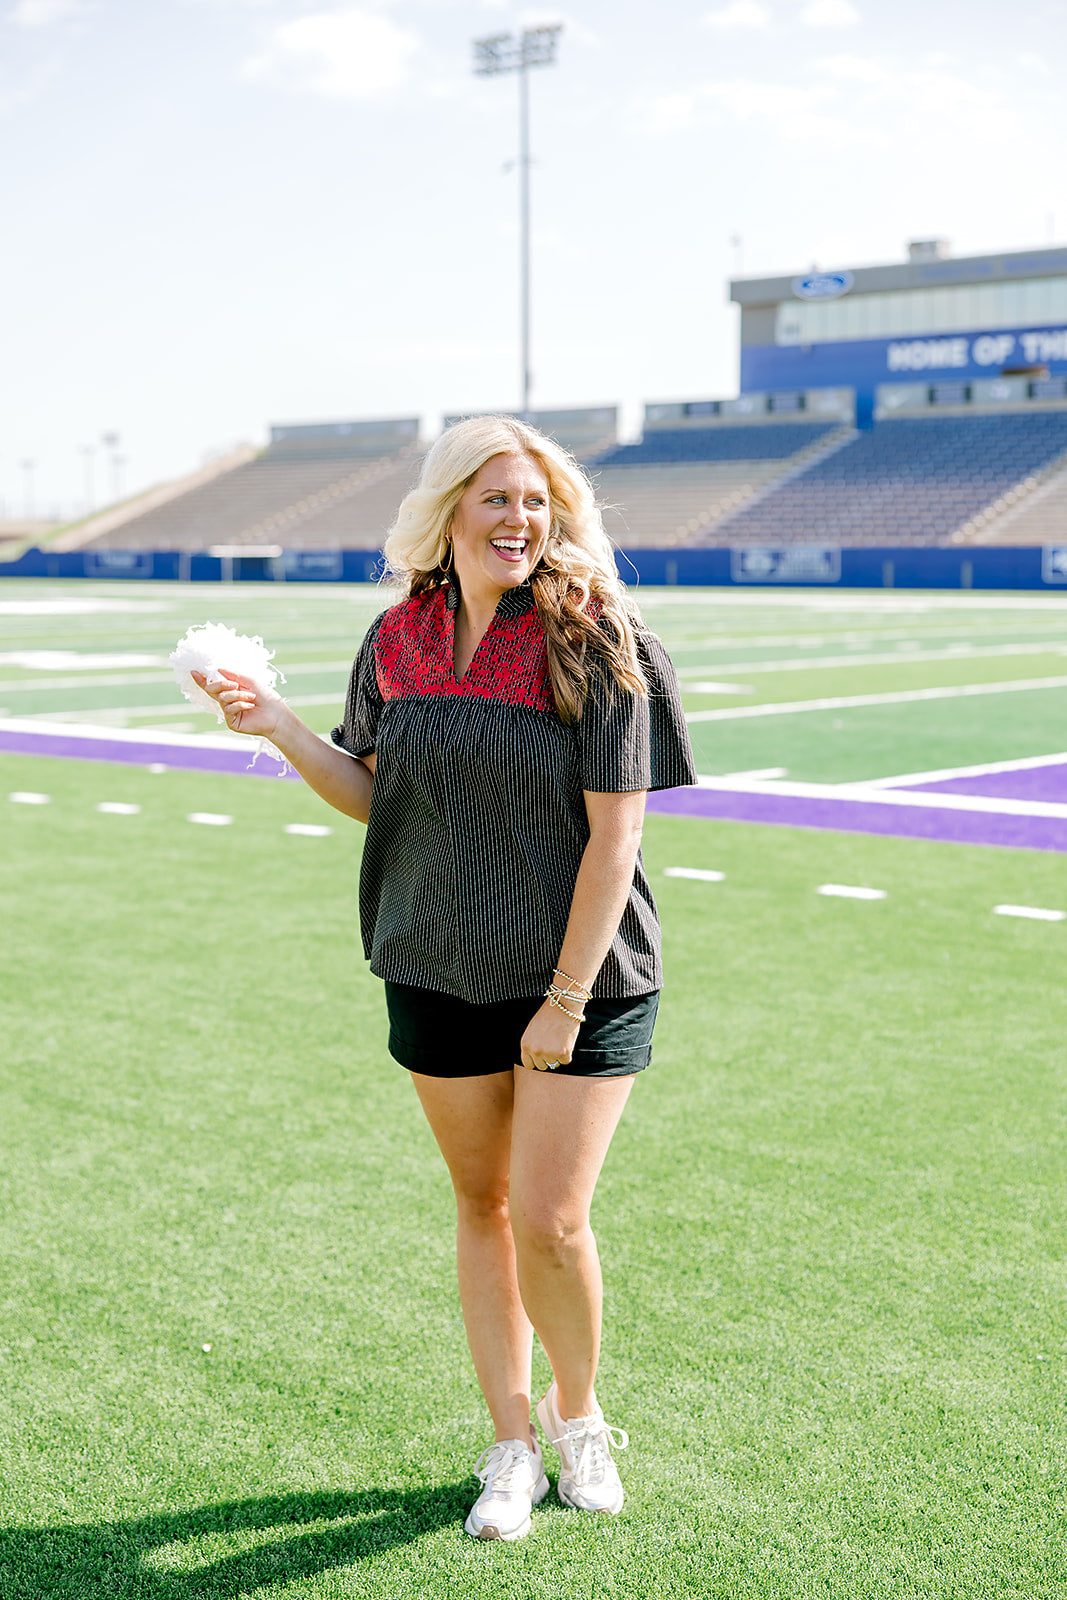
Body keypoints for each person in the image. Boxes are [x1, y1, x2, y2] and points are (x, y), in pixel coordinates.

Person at [193, 415, 696, 1541]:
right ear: (447, 511)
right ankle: (509, 1443)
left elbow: (615, 839)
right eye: (495, 498)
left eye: (534, 500)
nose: (518, 519)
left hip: (580, 975)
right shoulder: (396, 636)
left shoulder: (594, 636)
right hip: (432, 959)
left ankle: (578, 1419)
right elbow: (379, 794)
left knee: (554, 1221)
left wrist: (564, 1000)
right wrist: (275, 725)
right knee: (482, 1204)